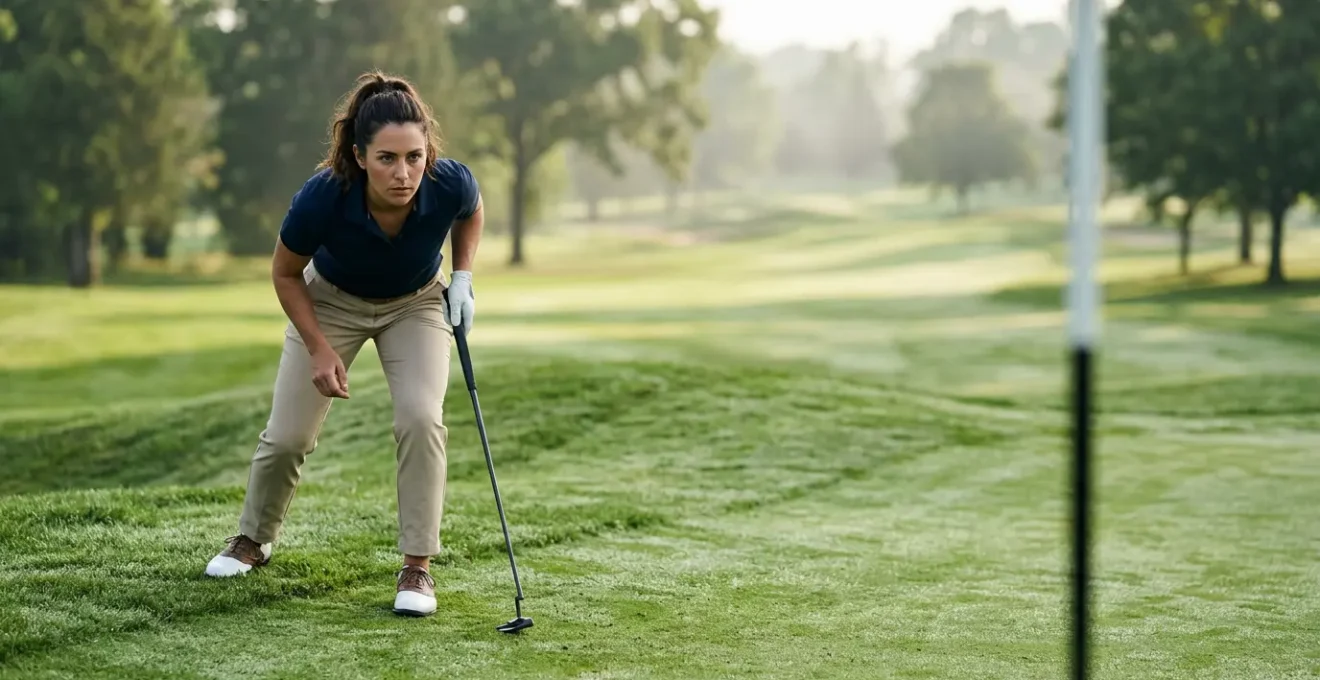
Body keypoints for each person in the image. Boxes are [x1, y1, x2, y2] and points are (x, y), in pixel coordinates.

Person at [202, 70, 484, 619]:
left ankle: (417, 568)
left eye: (414, 157)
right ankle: (252, 541)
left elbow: (470, 211)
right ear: (358, 155)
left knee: (422, 419)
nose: (403, 173)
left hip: (417, 302)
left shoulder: (448, 182)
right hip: (329, 302)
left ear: (428, 152)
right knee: (287, 437)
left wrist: (465, 277)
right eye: (386, 159)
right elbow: (285, 274)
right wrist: (319, 348)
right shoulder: (324, 195)